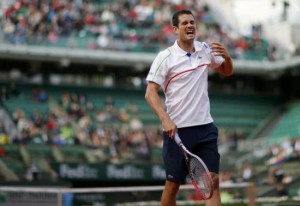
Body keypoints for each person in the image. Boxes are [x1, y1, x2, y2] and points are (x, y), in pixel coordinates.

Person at [145, 9, 233, 206]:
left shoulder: (205, 50)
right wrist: (165, 118)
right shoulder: (165, 57)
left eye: (192, 22)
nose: (189, 26)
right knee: (172, 186)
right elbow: (150, 93)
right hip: (177, 131)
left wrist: (227, 58)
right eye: (184, 23)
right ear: (175, 29)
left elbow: (226, 71)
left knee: (213, 181)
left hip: (205, 127)